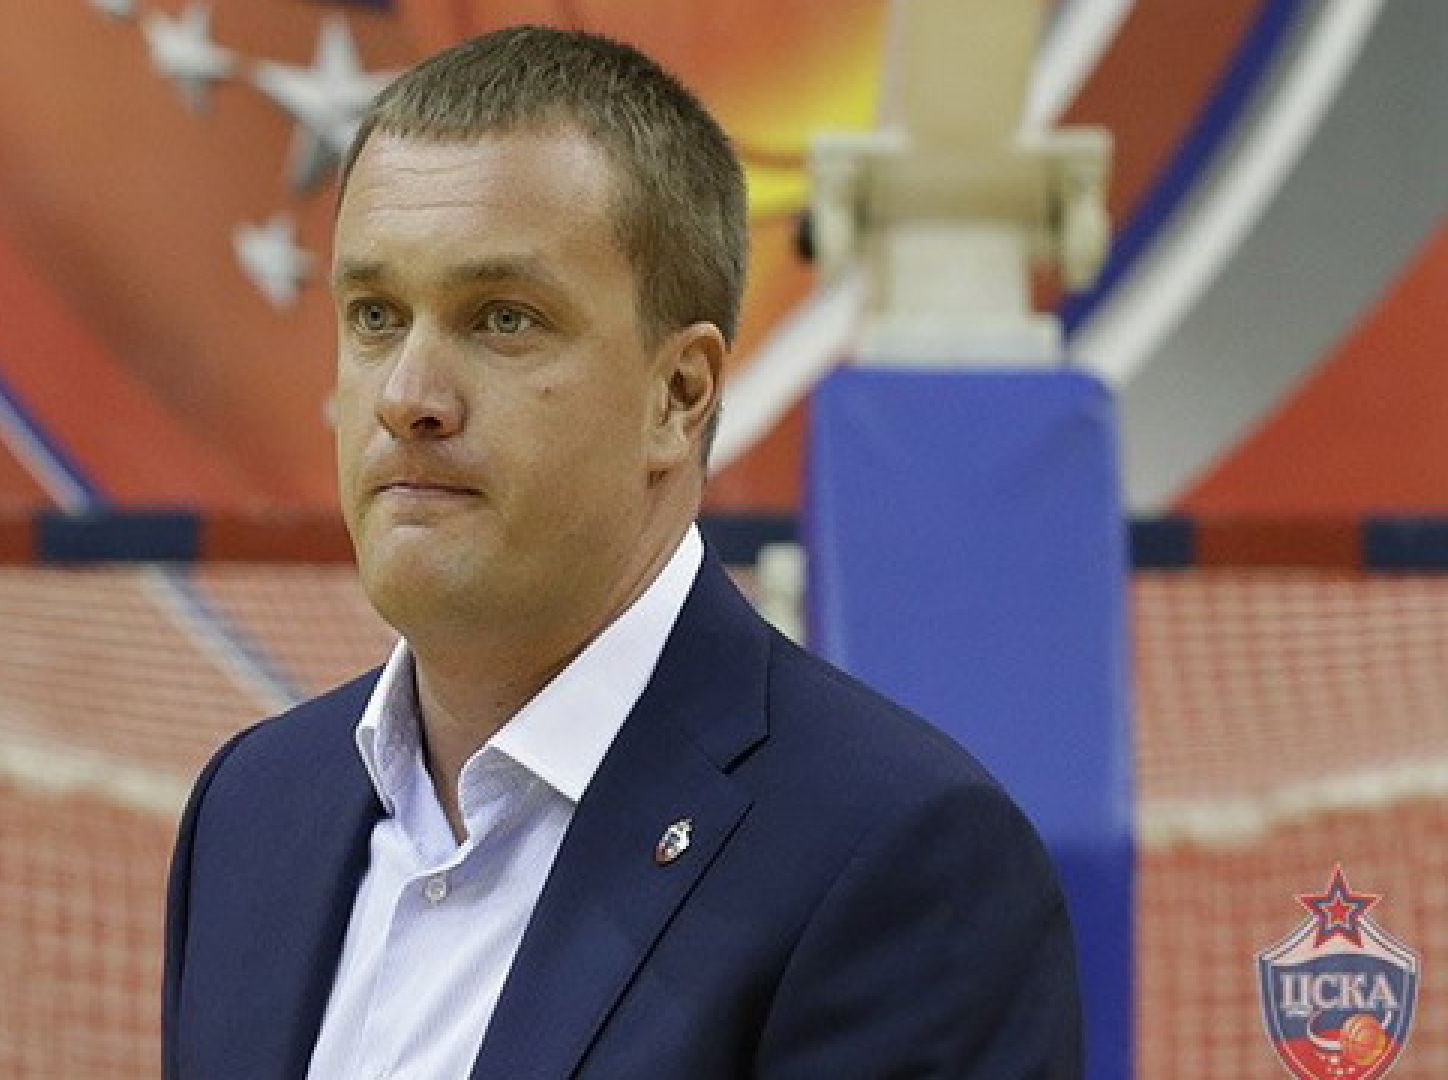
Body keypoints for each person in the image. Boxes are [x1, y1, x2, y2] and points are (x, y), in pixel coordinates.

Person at [162, 24, 1083, 1079]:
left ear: (678, 395)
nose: (408, 396)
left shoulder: (900, 860)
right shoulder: (251, 812)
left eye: (502, 319)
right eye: (375, 315)